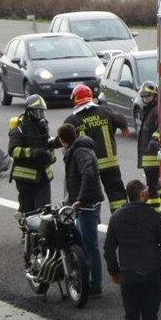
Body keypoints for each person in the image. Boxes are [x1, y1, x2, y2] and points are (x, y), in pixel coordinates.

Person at [104, 179, 161, 320]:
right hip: (152, 271)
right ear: (142, 195)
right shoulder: (154, 216)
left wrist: (114, 271)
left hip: (128, 273)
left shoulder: (116, 217)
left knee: (131, 315)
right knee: (150, 315)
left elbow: (108, 248)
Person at [52, 84, 130, 212]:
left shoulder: (72, 120)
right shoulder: (104, 111)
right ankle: (122, 218)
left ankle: (91, 222)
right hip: (109, 163)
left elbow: (63, 138)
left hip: (88, 165)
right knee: (117, 194)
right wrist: (124, 127)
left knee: (90, 195)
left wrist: (50, 144)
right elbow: (120, 118)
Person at [57, 123, 106, 296]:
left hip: (86, 205)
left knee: (90, 245)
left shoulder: (79, 152)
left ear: (63, 139)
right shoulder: (78, 148)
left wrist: (79, 199)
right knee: (82, 241)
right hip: (84, 204)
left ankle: (95, 284)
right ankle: (86, 277)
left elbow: (88, 174)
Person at [136, 81, 161, 219]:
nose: (146, 99)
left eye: (148, 96)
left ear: (156, 96)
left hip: (152, 157)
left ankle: (155, 216)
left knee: (152, 189)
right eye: (144, 97)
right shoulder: (149, 110)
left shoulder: (156, 110)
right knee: (157, 185)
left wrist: (154, 140)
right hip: (148, 157)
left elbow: (160, 128)